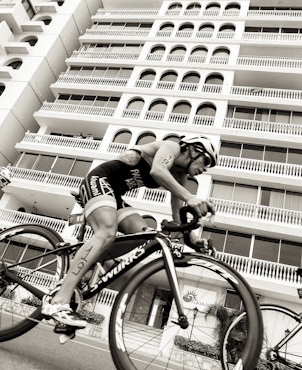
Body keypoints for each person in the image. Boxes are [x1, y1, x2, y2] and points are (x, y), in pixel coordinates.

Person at [41, 135, 218, 328]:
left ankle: (84, 268)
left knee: (145, 235)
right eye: (206, 161)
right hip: (99, 181)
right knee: (107, 232)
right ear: (193, 149)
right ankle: (58, 302)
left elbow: (177, 216)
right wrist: (190, 197)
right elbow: (158, 170)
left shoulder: (180, 176)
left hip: (115, 195)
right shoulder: (171, 147)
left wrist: (193, 239)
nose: (205, 169)